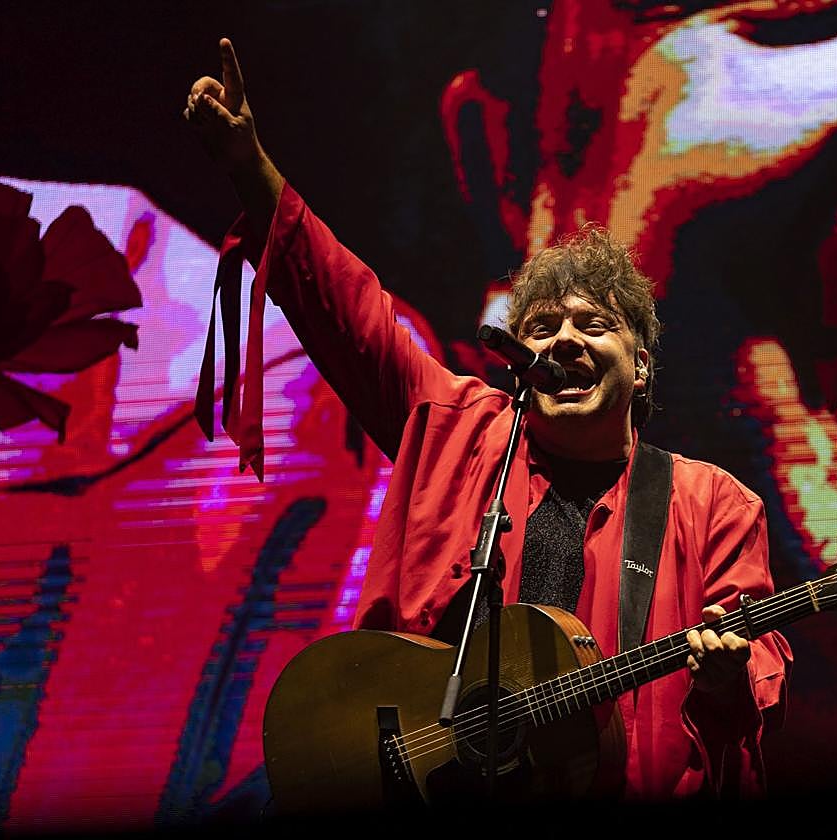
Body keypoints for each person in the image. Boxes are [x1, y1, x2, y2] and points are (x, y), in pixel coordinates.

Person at [185, 37, 791, 802]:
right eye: (542, 328)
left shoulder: (714, 507)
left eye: (594, 326)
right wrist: (250, 166)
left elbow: (752, 678)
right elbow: (347, 310)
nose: (564, 340)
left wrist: (728, 679)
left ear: (640, 367)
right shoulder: (458, 430)